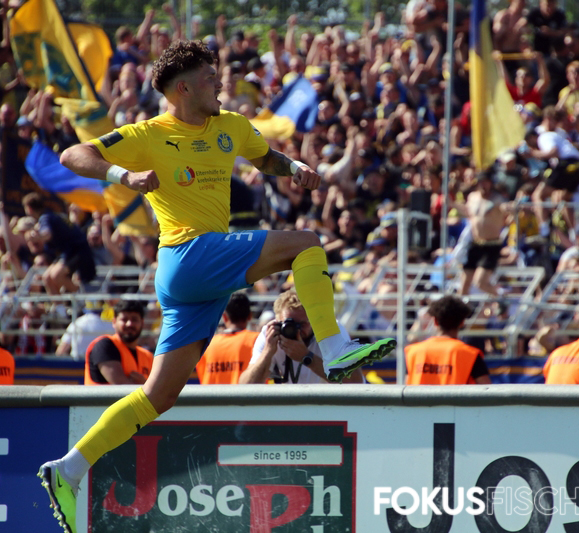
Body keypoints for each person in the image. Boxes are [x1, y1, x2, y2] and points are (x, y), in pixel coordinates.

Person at [39, 40, 394, 533]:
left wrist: (294, 168)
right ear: (183, 89)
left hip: (194, 282)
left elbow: (264, 157)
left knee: (158, 396)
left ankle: (69, 468)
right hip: (187, 255)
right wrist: (124, 175)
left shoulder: (230, 125)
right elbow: (72, 154)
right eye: (210, 77)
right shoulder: (148, 133)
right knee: (307, 243)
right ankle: (334, 350)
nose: (220, 83)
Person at [239, 290, 364, 384]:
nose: (296, 330)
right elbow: (246, 386)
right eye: (289, 324)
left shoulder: (331, 330)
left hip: (325, 405)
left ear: (314, 321)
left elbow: (356, 382)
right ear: (277, 321)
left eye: (303, 324)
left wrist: (307, 357)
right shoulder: (271, 333)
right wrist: (268, 352)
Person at [405, 296, 492, 385]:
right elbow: (487, 389)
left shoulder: (413, 352)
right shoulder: (471, 355)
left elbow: (406, 386)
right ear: (462, 323)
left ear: (435, 321)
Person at [195, 291, 258, 384]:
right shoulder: (258, 340)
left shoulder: (207, 344)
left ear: (224, 317)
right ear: (250, 316)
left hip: (212, 394)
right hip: (249, 394)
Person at [84, 301, 153, 385]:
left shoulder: (148, 356)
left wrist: (145, 384)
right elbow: (121, 387)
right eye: (124, 319)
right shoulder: (104, 345)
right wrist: (146, 385)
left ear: (142, 323)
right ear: (114, 322)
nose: (129, 324)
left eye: (134, 320)